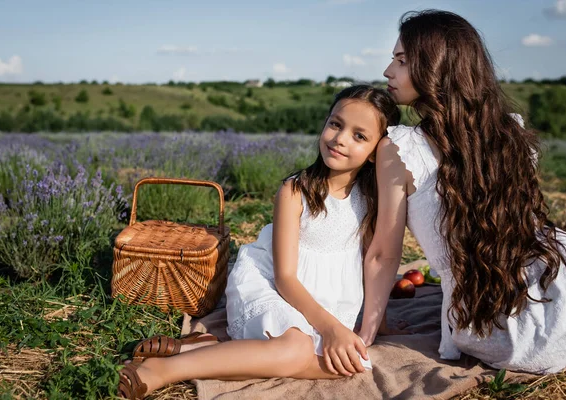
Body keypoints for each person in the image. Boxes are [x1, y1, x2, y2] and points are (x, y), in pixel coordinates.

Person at [117, 85, 401, 399]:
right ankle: (162, 370)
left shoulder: (371, 200)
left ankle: (219, 348)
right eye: (336, 124)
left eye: (359, 136)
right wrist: (332, 329)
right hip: (275, 287)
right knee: (297, 350)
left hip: (331, 303)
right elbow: (285, 278)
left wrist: (378, 323)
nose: (340, 138)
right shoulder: (295, 191)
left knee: (353, 363)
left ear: (377, 151)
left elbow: (371, 262)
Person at [359, 9, 566, 374]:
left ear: (436, 69)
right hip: (562, 292)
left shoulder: (400, 148)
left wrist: (367, 332)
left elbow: (384, 254)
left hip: (498, 324)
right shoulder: (509, 133)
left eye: (401, 60)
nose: (388, 72)